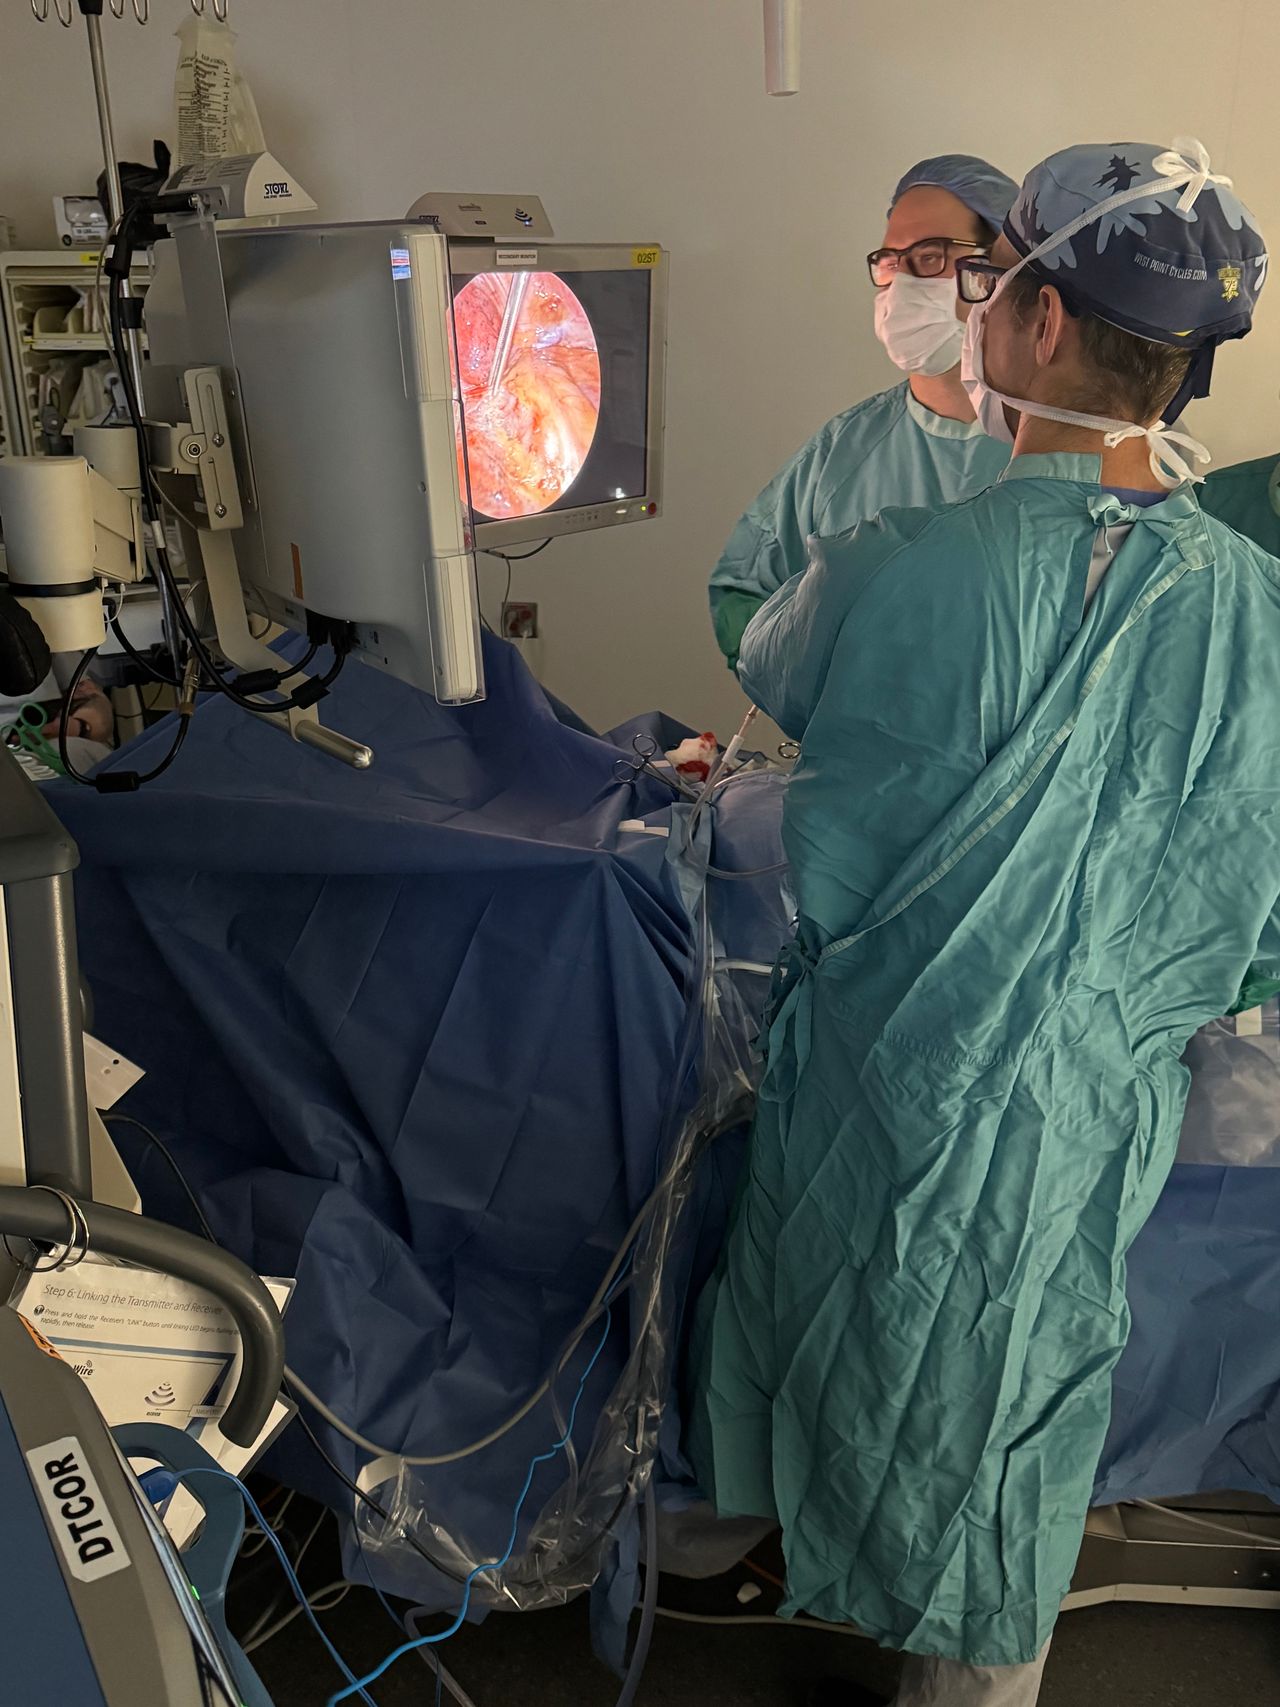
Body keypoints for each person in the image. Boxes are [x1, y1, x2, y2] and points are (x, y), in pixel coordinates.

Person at [688, 139, 1279, 1707]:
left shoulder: (890, 565)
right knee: (1020, 1386)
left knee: (879, 1352)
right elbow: (1251, 906)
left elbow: (782, 669)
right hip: (1087, 1105)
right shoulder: (1248, 605)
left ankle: (894, 1608)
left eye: (990, 280)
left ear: (1038, 319)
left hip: (892, 1081)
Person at [708, 154, 1018, 670]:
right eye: (891, 262)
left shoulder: (1073, 442)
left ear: (998, 272)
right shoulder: (845, 453)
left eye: (930, 257)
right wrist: (811, 694)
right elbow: (743, 595)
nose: (902, 284)